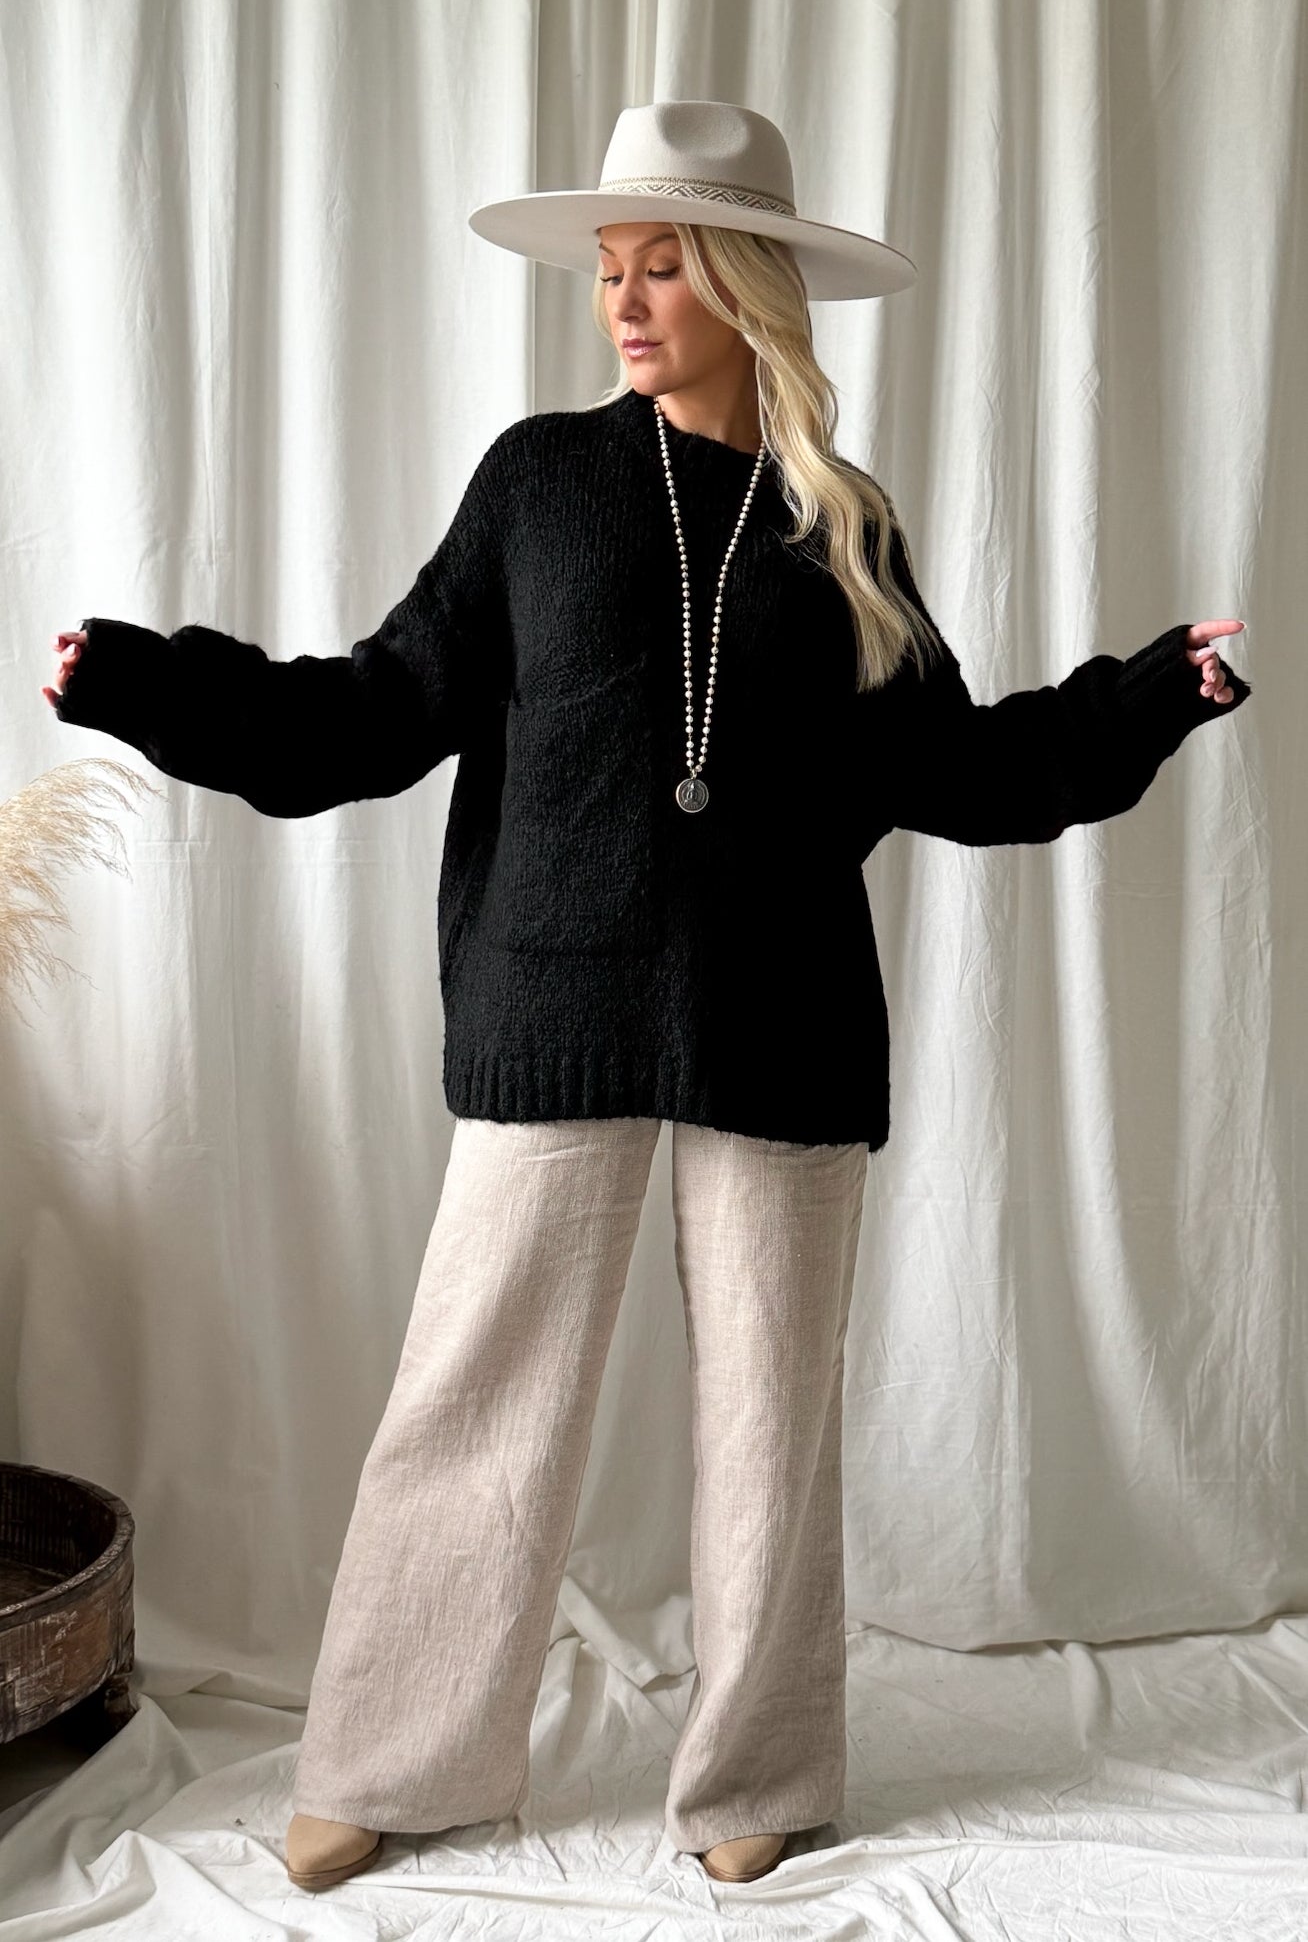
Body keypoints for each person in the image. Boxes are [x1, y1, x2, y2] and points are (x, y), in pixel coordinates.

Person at [44, 100, 1251, 1895]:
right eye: (610, 267)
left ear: (747, 282)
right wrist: (151, 686)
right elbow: (371, 710)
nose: (621, 299)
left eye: (662, 265)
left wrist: (1150, 694)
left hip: (783, 1024)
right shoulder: (537, 483)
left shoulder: (843, 523)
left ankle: (760, 1765)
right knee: (472, 1398)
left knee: (772, 1424)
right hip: (551, 1012)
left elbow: (966, 769)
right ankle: (394, 1751)